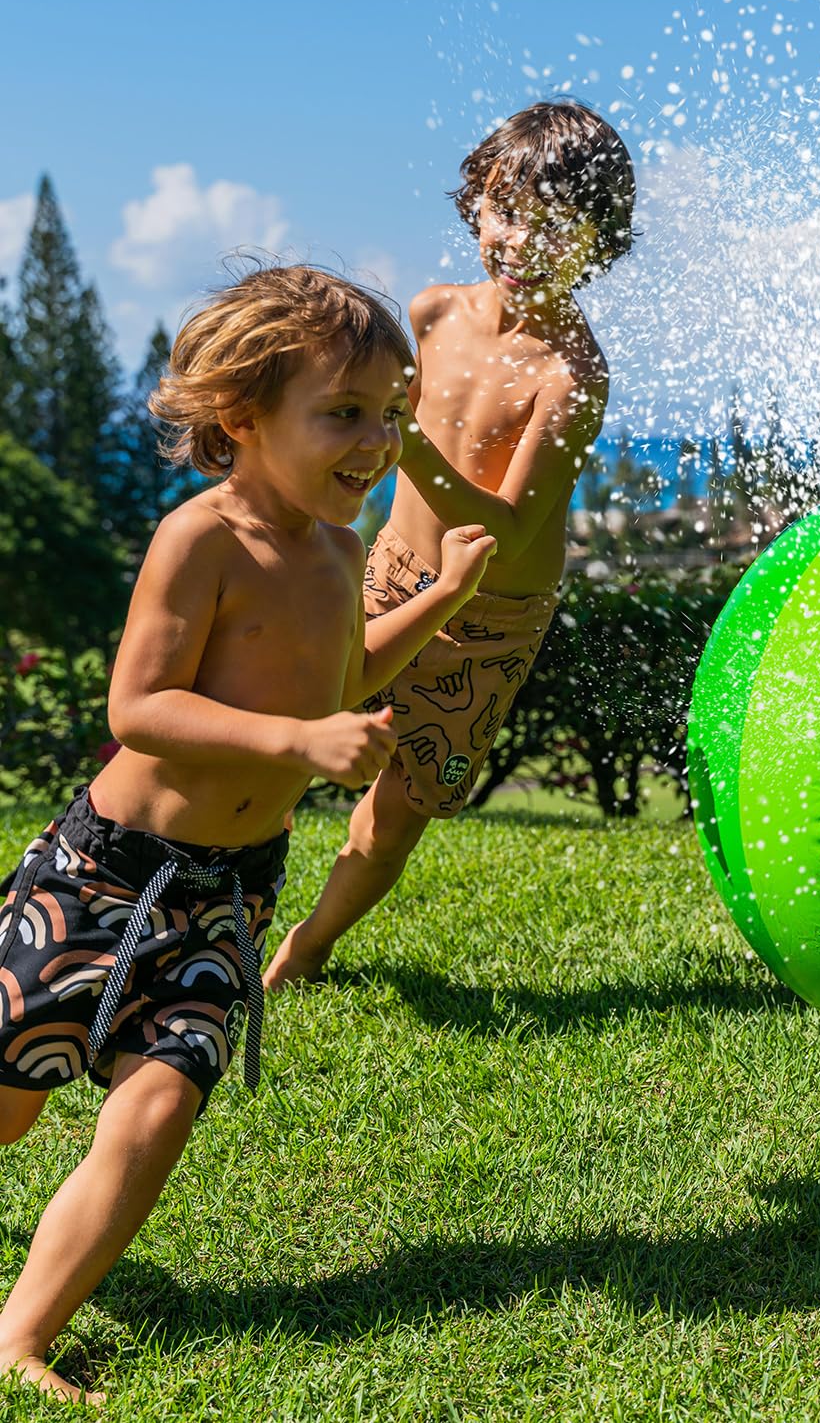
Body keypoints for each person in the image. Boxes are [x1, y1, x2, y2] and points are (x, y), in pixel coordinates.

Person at [0, 265, 496, 1403]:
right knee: (9, 1109)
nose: (377, 442)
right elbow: (140, 707)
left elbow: (344, 676)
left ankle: (19, 1338)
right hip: (104, 878)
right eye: (345, 413)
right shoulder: (202, 539)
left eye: (390, 413)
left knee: (159, 1106)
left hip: (228, 895)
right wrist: (297, 742)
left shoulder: (337, 550)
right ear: (242, 417)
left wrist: (445, 596)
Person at [264, 101, 636, 990]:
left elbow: (505, 529)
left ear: (598, 241)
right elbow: (356, 429)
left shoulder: (573, 375)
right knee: (288, 719)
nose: (520, 240)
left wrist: (407, 438)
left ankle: (303, 952)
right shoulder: (432, 312)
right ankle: (218, 897)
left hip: (489, 615)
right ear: (477, 203)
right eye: (506, 210)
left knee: (399, 804)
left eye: (556, 225)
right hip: (391, 568)